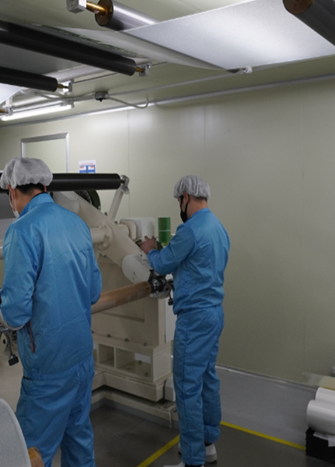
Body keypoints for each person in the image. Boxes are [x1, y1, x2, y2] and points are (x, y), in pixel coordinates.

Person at [0, 157, 102, 467]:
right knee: (79, 440)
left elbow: (16, 314)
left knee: (30, 453)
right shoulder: (77, 223)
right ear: (44, 185)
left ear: (13, 190)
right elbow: (94, 291)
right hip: (81, 357)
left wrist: (4, 312)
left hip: (49, 367)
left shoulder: (22, 230)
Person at [140, 175, 230, 467]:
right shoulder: (218, 227)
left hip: (194, 319)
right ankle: (207, 443)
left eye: (179, 200)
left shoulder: (189, 230)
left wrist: (150, 249)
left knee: (187, 387)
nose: (179, 205)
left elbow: (162, 263)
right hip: (214, 313)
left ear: (186, 197)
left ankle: (192, 460)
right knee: (207, 378)